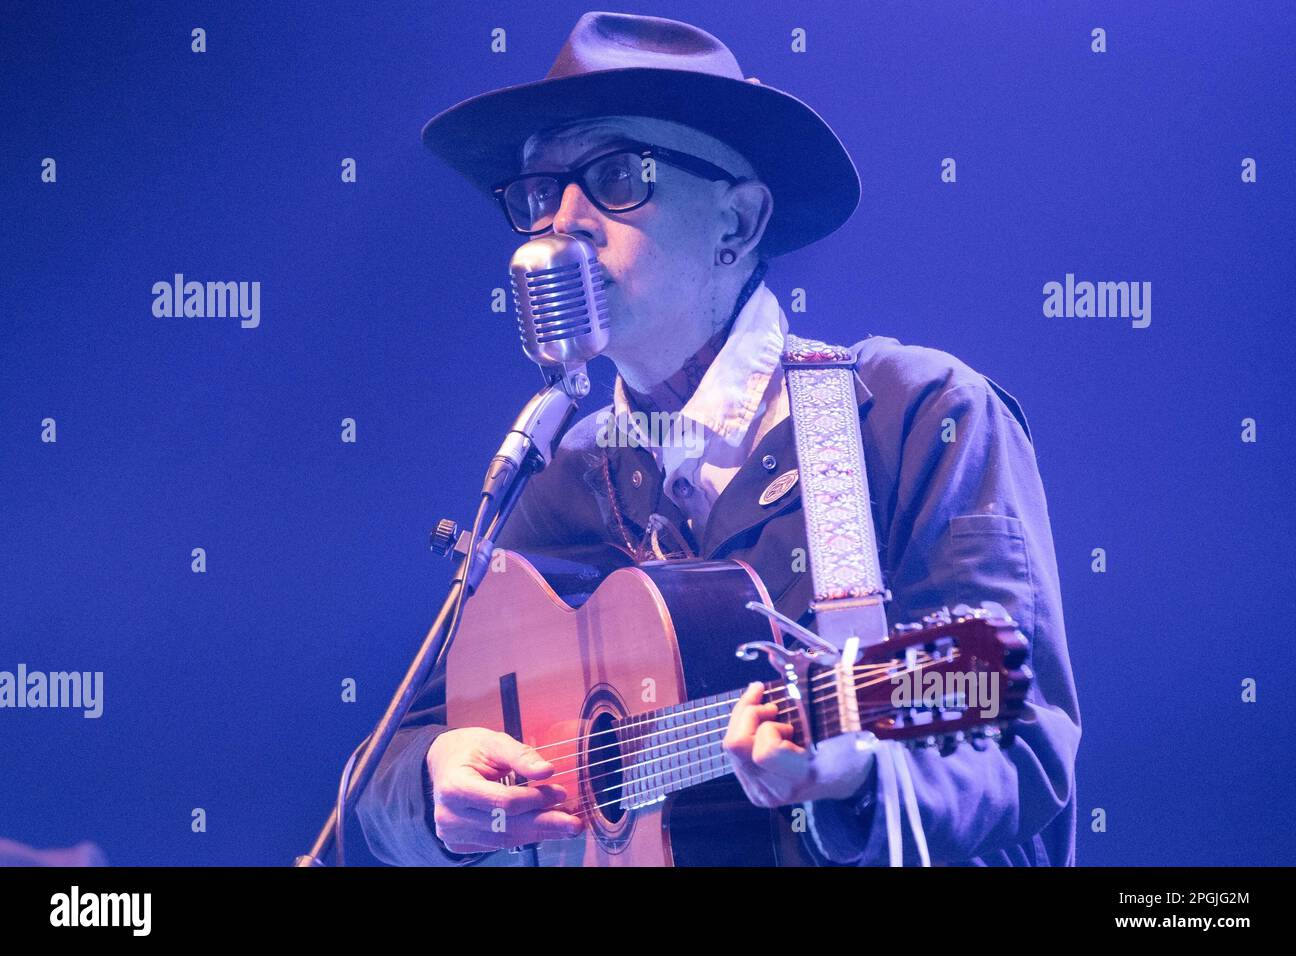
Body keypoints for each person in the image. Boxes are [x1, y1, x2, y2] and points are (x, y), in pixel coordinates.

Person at [356, 11, 1081, 866]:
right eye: (542, 192)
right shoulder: (566, 476)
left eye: (617, 175)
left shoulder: (914, 411)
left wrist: (861, 782)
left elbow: (1019, 739)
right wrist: (436, 784)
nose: (565, 220)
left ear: (737, 224)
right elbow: (387, 770)